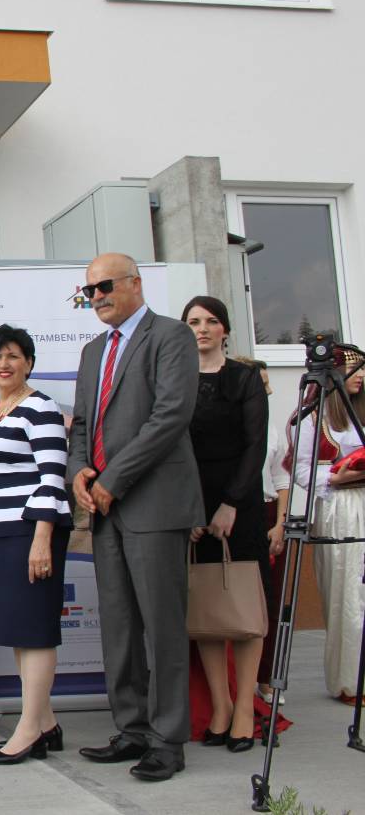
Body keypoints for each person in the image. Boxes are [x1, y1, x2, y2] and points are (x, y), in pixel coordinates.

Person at [67, 252, 203, 783]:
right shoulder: (92, 350)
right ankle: (132, 729)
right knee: (119, 626)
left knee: (162, 628)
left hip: (155, 504)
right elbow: (82, 425)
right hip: (105, 509)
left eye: (105, 286)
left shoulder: (171, 336)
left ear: (135, 284)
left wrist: (112, 480)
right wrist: (80, 472)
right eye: (89, 290)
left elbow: (170, 416)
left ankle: (168, 741)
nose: (97, 296)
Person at [0, 326, 71, 764]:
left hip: (30, 532)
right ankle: (45, 724)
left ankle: (27, 730)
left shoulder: (40, 408)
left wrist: (42, 538)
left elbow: (52, 478)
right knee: (18, 632)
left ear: (29, 362)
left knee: (35, 630)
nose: (3, 364)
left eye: (12, 356)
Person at [180, 296, 269, 751]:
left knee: (245, 610)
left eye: (211, 321)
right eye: (193, 321)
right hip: (193, 506)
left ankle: (244, 708)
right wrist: (191, 509)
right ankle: (219, 706)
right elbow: (172, 449)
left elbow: (256, 445)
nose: (202, 328)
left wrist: (231, 503)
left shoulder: (245, 377)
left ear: (225, 330)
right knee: (208, 607)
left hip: (241, 504)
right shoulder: (174, 380)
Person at [294, 348, 365, 703]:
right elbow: (300, 469)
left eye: (362, 369)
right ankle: (351, 680)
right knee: (347, 594)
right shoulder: (314, 417)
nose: (360, 375)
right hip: (340, 508)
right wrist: (337, 477)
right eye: (352, 369)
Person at [241, 357, 289, 704]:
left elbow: (282, 477)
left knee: (270, 600)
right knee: (237, 601)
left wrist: (280, 523)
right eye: (262, 384)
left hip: (269, 511)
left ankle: (266, 678)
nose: (269, 390)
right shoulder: (228, 424)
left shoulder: (272, 427)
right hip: (237, 513)